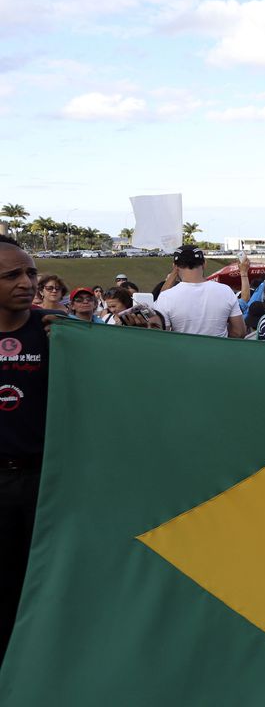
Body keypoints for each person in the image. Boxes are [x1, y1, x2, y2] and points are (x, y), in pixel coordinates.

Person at [0, 236, 58, 664]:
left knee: (38, 585)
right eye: (12, 275)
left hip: (44, 482)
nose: (27, 282)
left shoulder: (55, 331)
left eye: (31, 272)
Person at [154, 245, 245, 338]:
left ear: (175, 266)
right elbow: (239, 332)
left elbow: (160, 335)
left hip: (182, 351)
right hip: (219, 351)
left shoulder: (166, 296)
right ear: (204, 263)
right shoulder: (225, 291)